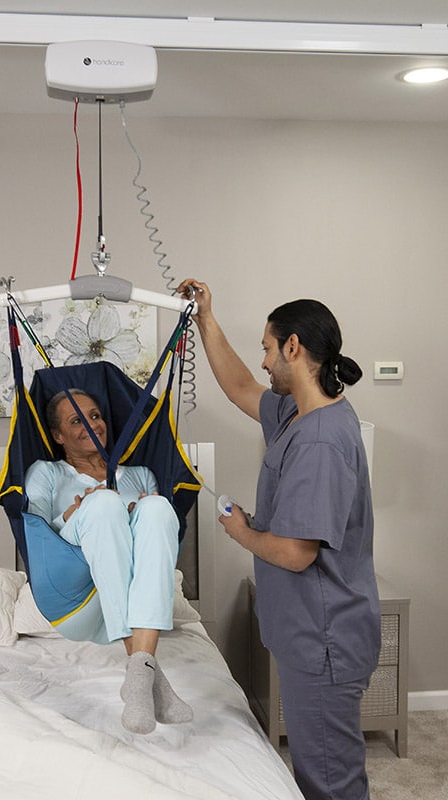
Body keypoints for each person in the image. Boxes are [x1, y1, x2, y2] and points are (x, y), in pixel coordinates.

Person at [177, 279, 380, 800]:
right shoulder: (302, 414)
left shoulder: (319, 441)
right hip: (309, 632)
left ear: (294, 347)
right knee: (319, 768)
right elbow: (242, 388)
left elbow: (295, 552)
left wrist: (242, 530)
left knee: (330, 780)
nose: (264, 361)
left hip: (324, 638)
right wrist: (205, 318)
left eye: (268, 347)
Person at [24, 388, 193, 735]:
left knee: (158, 507)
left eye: (96, 416)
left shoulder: (140, 475)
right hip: (74, 595)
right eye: (76, 420)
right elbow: (36, 533)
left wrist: (132, 519)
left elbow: (150, 541)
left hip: (126, 596)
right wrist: (72, 514)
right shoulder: (47, 473)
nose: (92, 424)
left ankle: (140, 677)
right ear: (58, 436)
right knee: (103, 505)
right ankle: (153, 678)